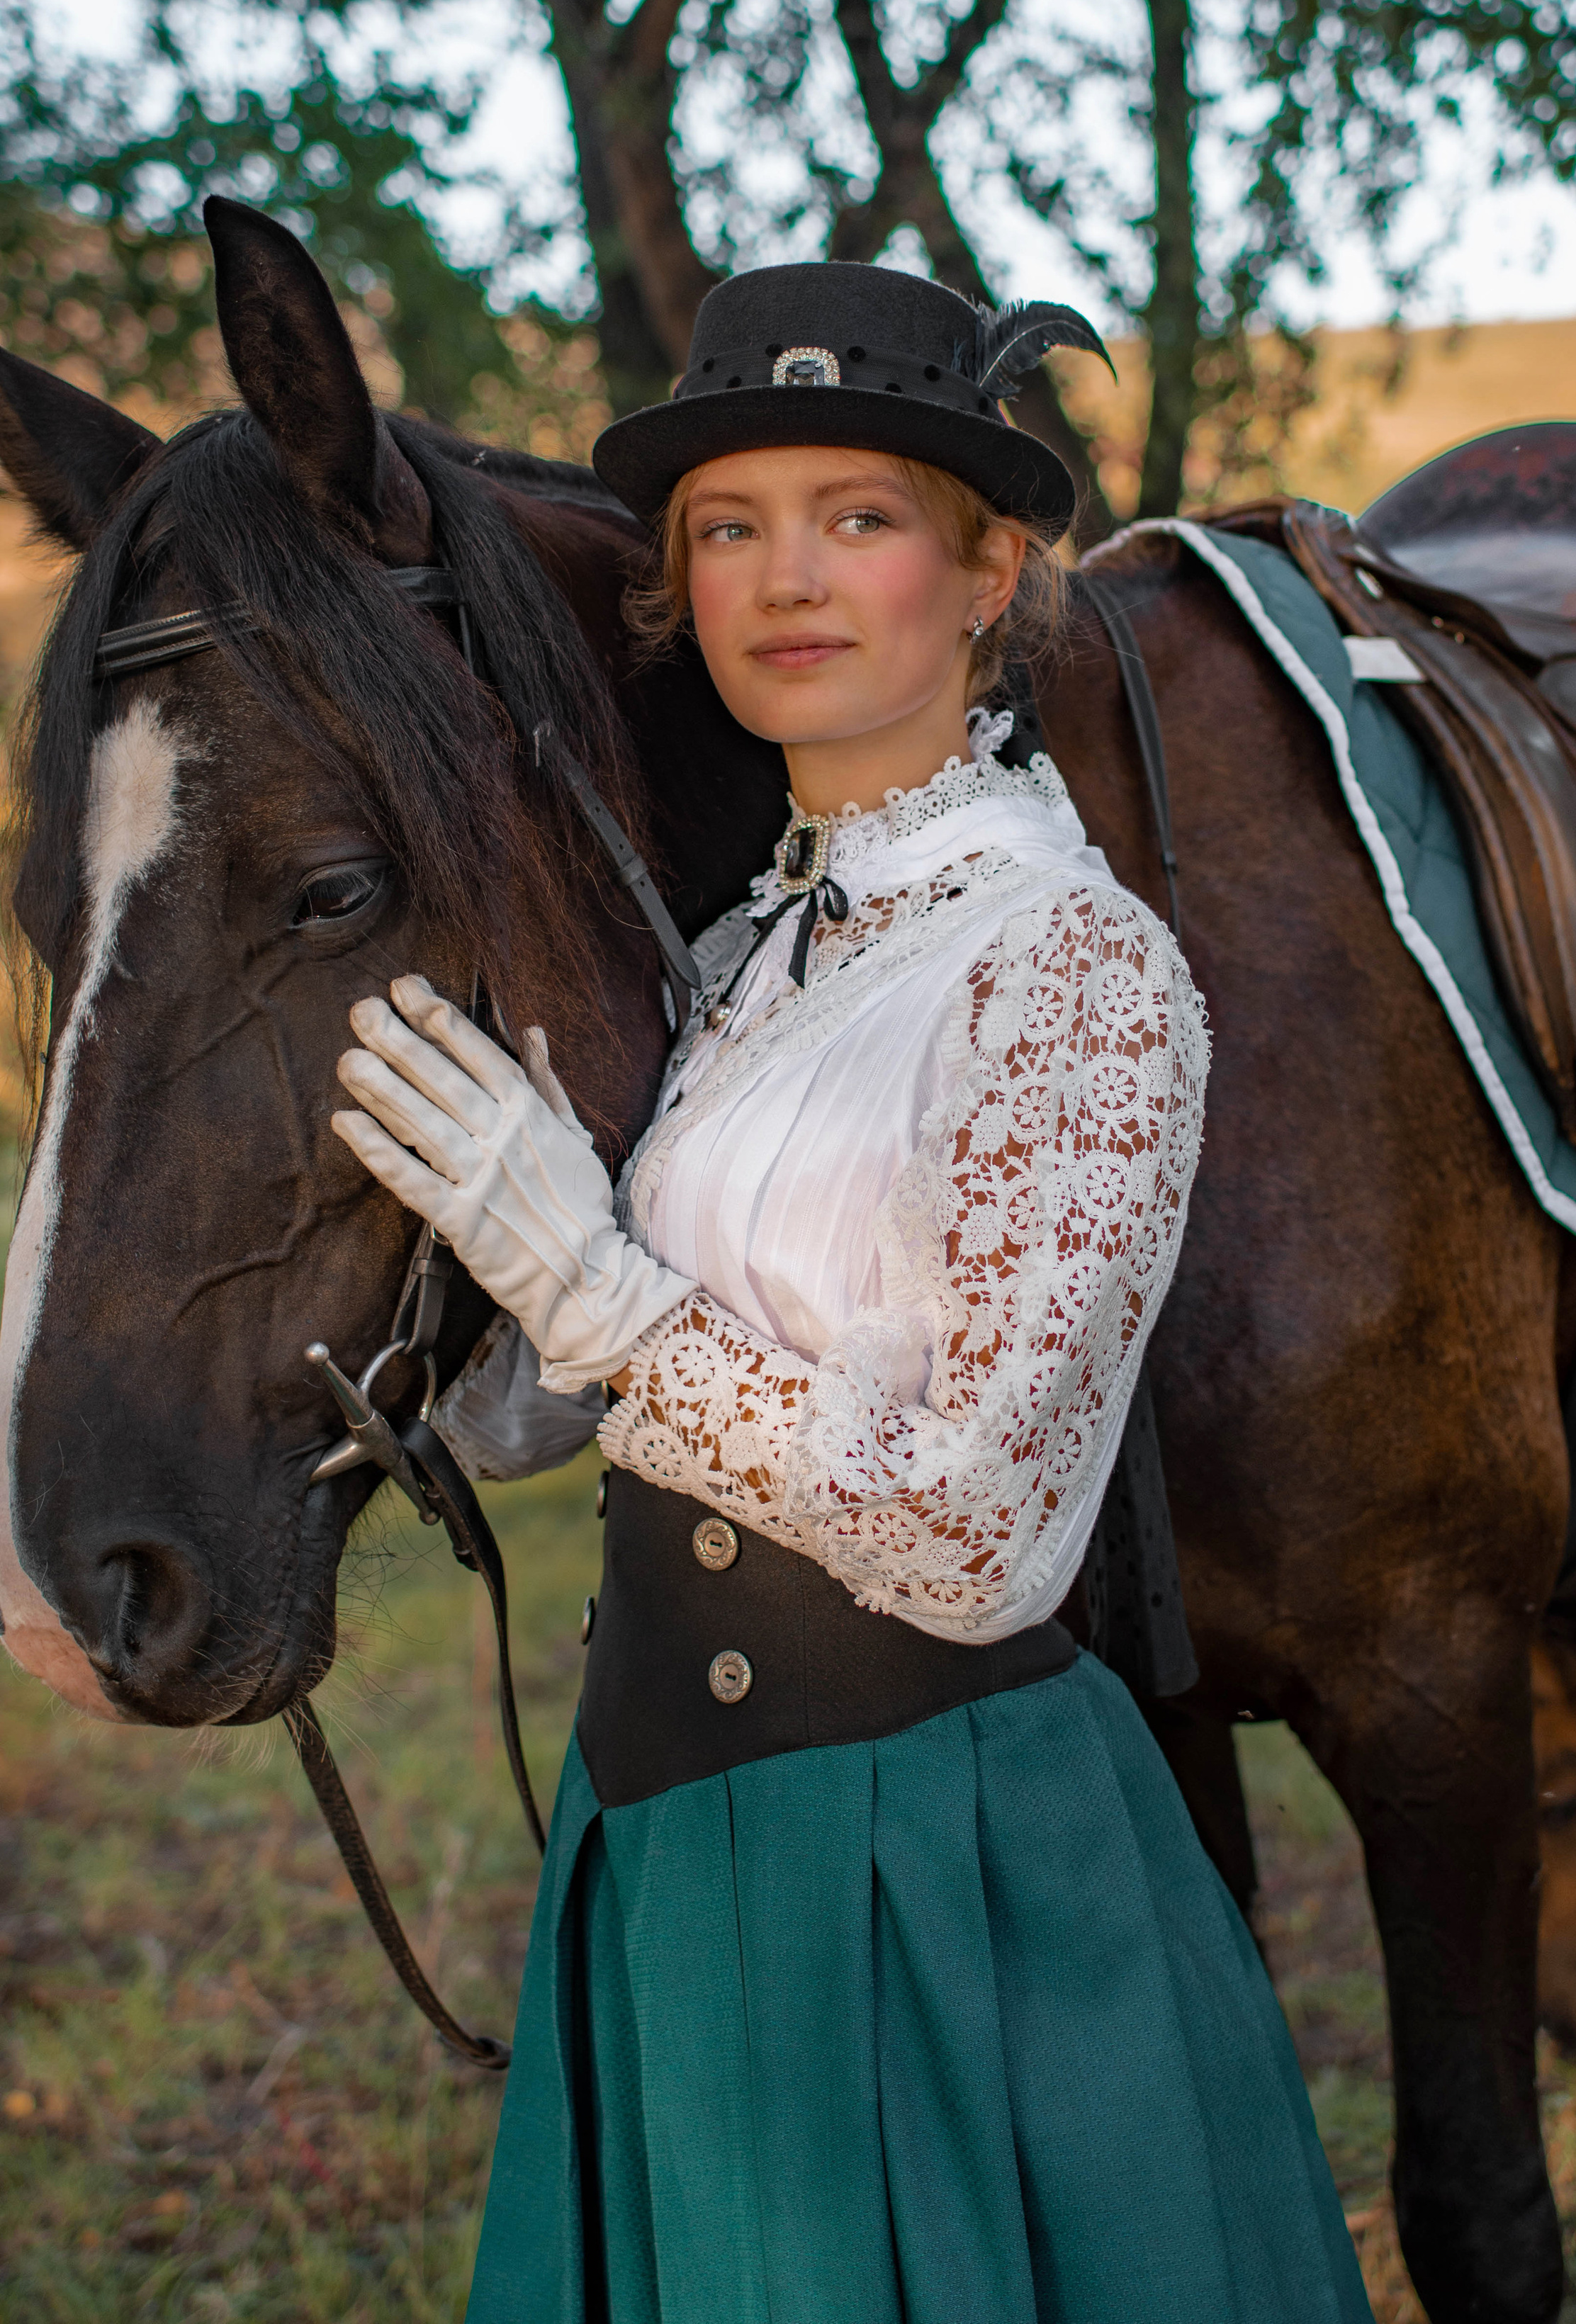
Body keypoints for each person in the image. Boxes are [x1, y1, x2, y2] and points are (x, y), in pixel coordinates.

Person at [331, 262, 1370, 2324]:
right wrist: (490, 1333)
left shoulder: (1065, 968)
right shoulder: (739, 959)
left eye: (859, 517)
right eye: (730, 527)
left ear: (991, 573)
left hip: (917, 1866)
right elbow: (645, 1363)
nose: (784, 577)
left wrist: (603, 1294)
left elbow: (985, 1536)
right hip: (669, 1831)